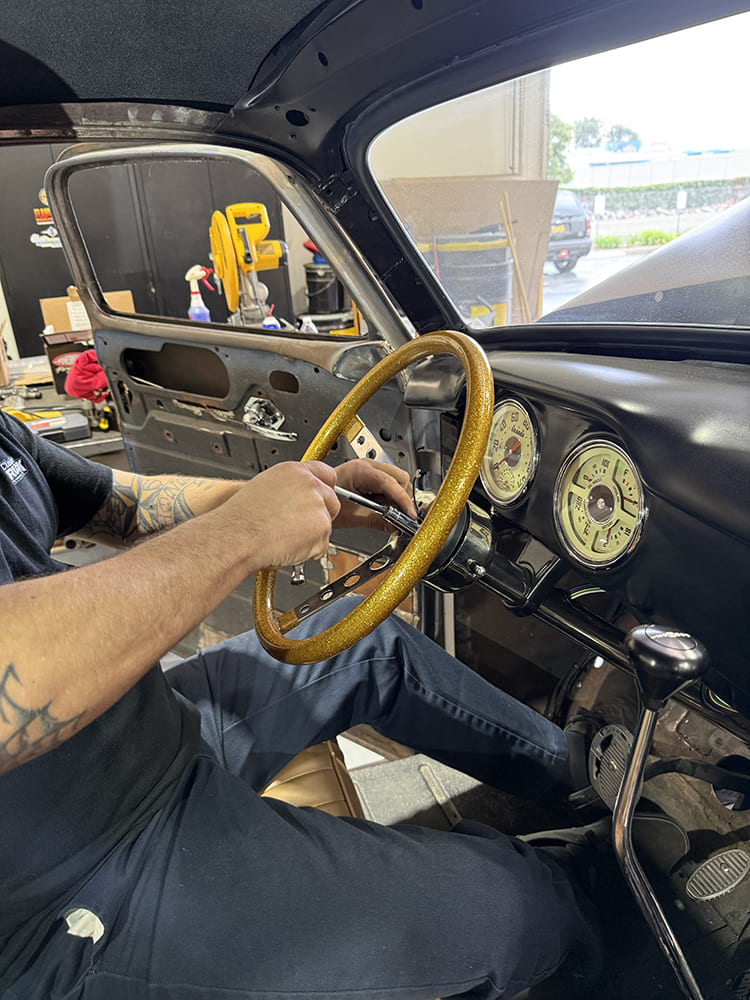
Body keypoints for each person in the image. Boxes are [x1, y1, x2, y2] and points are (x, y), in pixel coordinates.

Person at [0, 407, 603, 1000]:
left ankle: (585, 779)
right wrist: (243, 533)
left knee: (363, 639)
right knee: (519, 906)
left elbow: (119, 502)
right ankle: (588, 895)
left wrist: (312, 497)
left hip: (144, 730)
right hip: (68, 887)